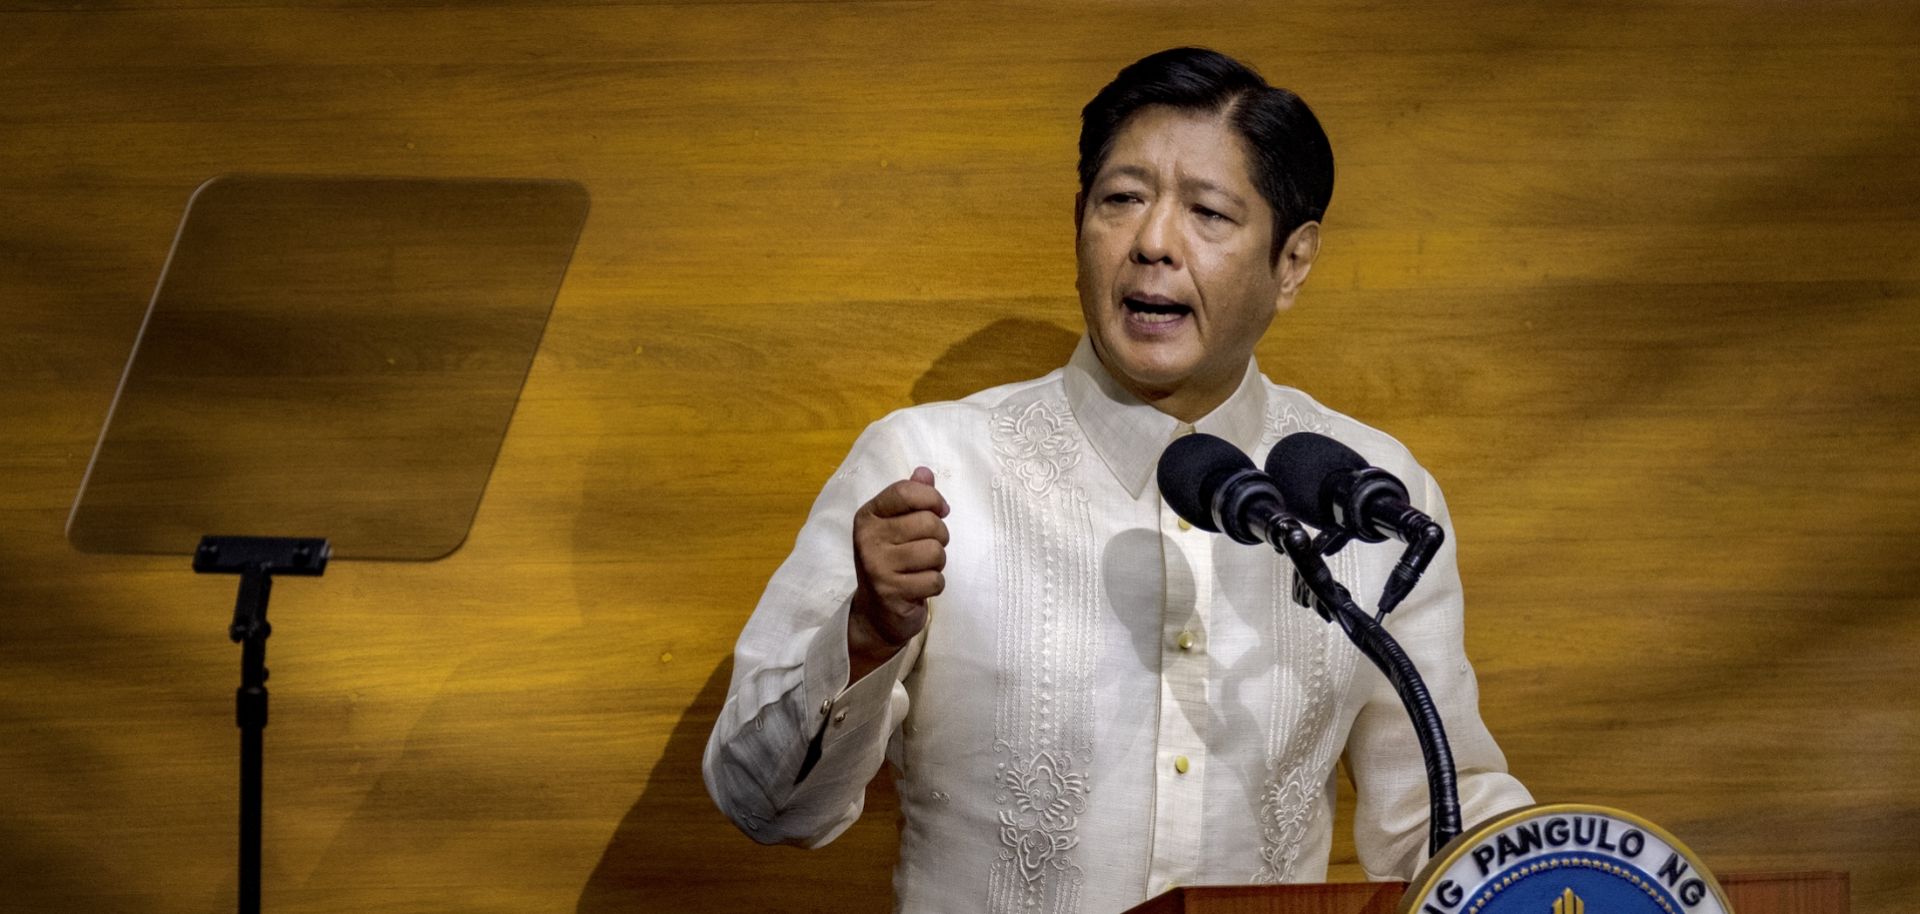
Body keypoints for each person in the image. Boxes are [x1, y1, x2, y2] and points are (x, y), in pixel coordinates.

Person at [703, 47, 1531, 913]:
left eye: (1207, 212)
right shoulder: (928, 470)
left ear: (1291, 263)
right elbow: (762, 804)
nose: (1153, 244)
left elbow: (1439, 814)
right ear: (1079, 222)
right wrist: (866, 637)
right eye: (1122, 199)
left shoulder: (1372, 496)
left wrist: (1567, 877)